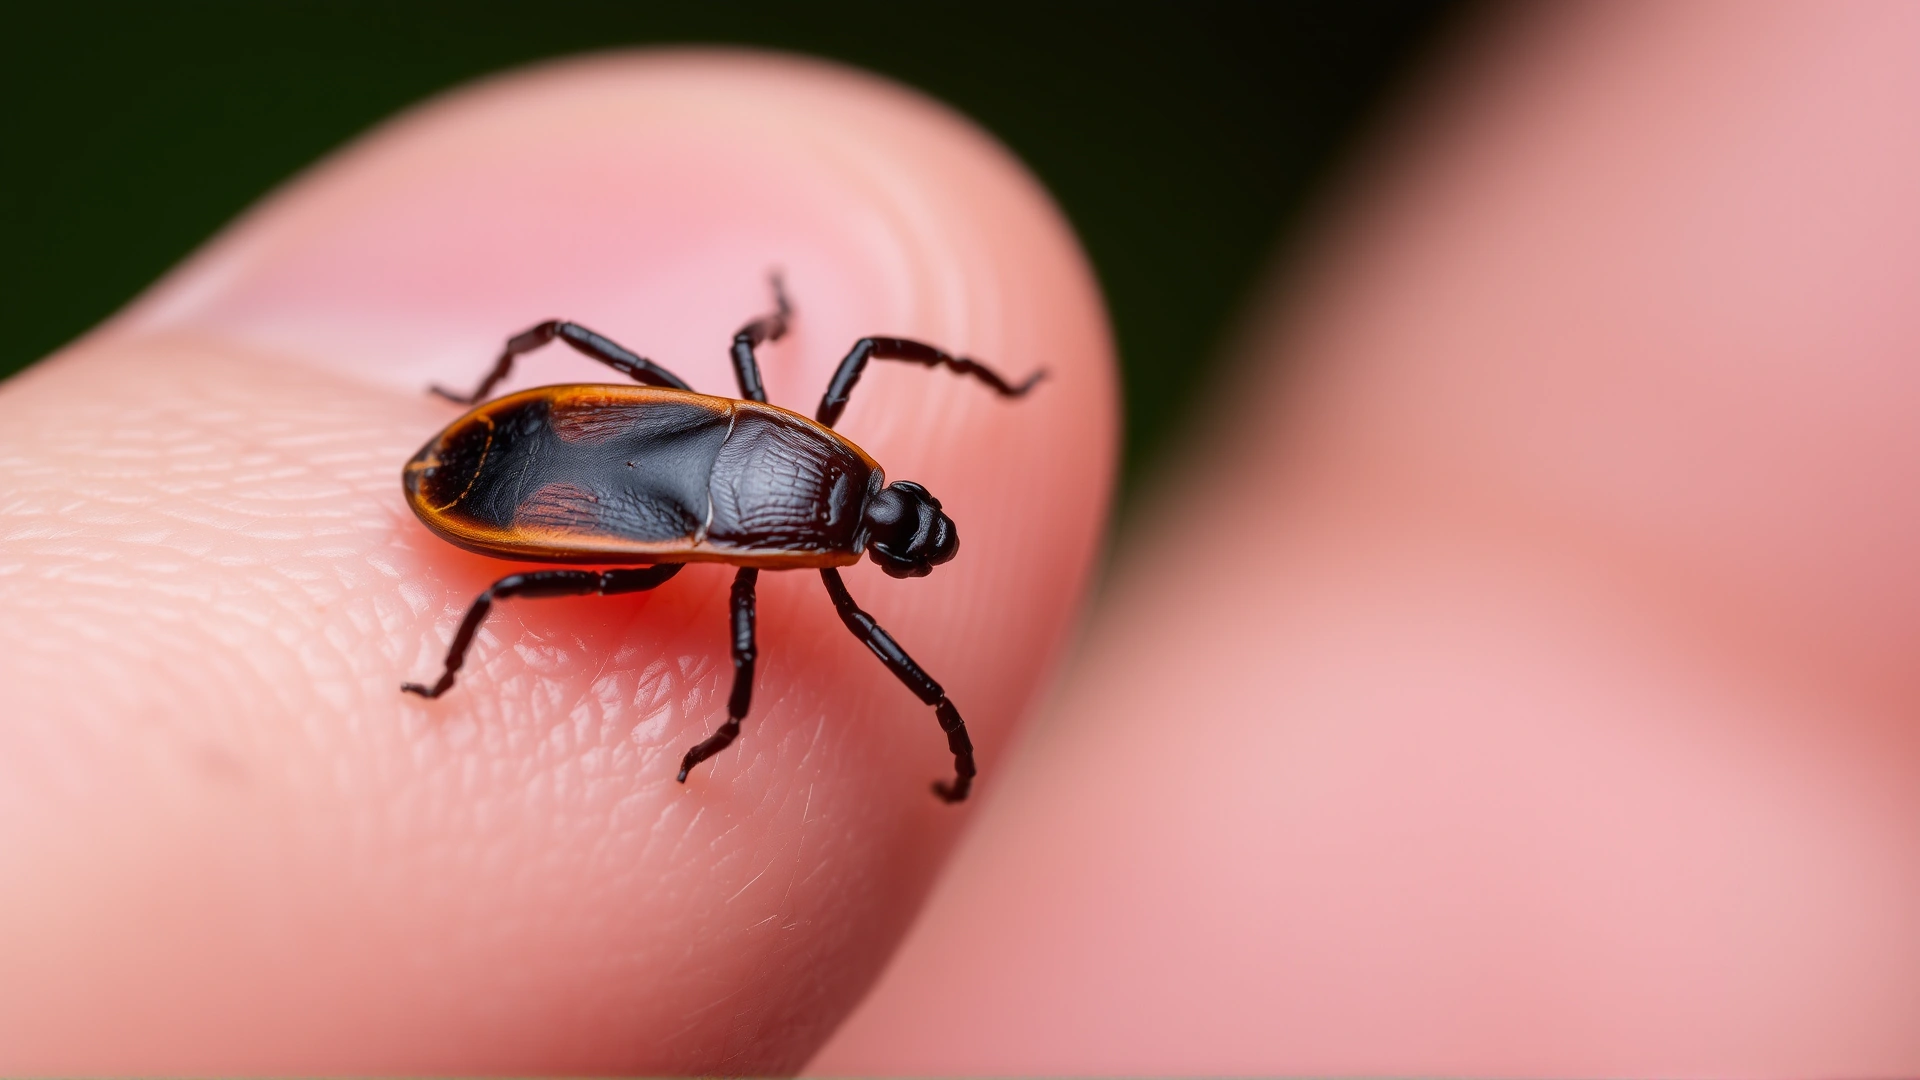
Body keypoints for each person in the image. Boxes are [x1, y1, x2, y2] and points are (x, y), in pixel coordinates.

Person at [2, 4, 1916, 1074]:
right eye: (899, 515)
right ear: (843, 489)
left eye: (894, 522)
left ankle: (473, 539)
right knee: (527, 573)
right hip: (523, 466)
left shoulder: (796, 486)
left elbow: (788, 613)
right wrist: (925, 729)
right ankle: (452, 609)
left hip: (590, 453)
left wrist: (913, 707)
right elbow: (768, 670)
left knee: (579, 508)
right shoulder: (788, 540)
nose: (904, 535)